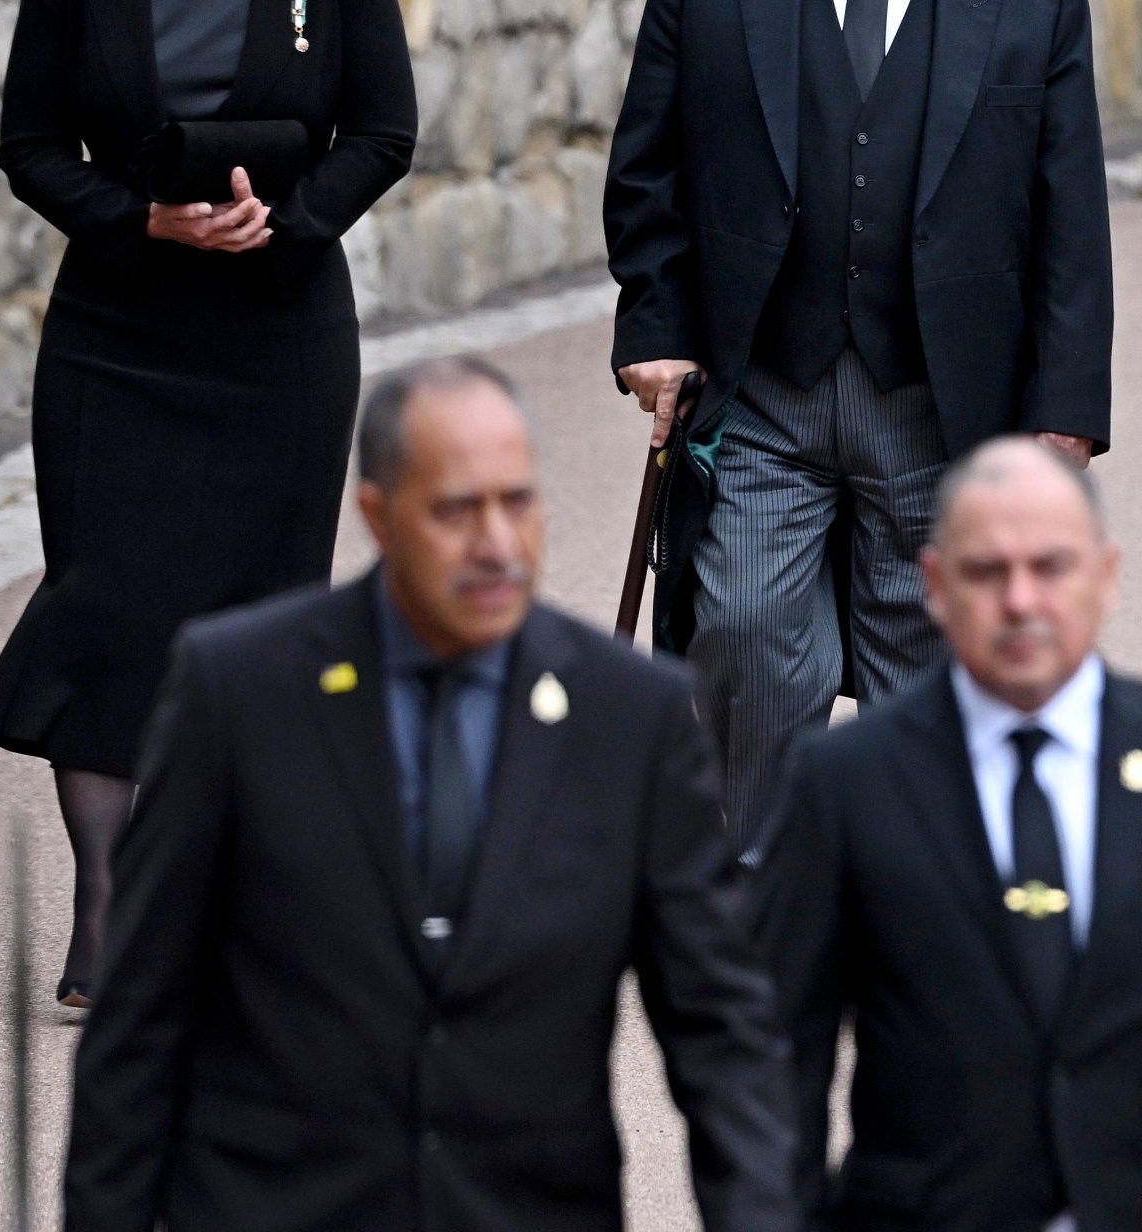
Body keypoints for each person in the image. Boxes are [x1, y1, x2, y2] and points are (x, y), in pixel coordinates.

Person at [63, 356, 798, 1232]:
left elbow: (723, 1035)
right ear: (377, 515)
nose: (496, 545)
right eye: (456, 510)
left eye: (517, 502)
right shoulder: (238, 690)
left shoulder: (631, 717)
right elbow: (140, 1023)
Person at [0, 0, 417, 1006]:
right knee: (107, 606)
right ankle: (109, 915)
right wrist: (144, 221)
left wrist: (291, 222)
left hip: (281, 341)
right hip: (118, 338)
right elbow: (31, 148)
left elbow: (383, 130)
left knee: (255, 624)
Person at [603, 0, 1113, 863]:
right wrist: (653, 329)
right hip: (763, 389)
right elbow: (647, 168)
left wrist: (1065, 414)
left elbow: (1070, 222)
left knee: (929, 662)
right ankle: (762, 895)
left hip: (943, 403)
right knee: (742, 635)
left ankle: (912, 898)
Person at [755, 437, 1142, 1232]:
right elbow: (775, 1063)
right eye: (987, 571)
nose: (1021, 601)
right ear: (934, 585)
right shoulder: (844, 781)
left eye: (1051, 567)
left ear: (1106, 575)